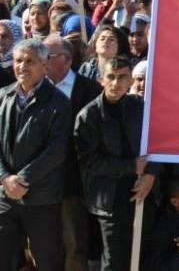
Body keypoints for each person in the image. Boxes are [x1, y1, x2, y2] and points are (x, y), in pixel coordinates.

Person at [75, 56, 161, 271]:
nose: (116, 83)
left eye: (122, 77)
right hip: (110, 199)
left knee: (144, 255)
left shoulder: (141, 107)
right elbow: (89, 160)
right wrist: (131, 166)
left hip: (144, 191)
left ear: (131, 80)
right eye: (111, 77)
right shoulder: (88, 116)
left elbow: (159, 143)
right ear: (101, 79)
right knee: (115, 260)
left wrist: (150, 175)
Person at [0, 39, 73, 271]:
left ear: (45, 65)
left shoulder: (59, 102)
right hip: (5, 196)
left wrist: (22, 180)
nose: (22, 66)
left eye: (29, 61)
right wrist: (5, 178)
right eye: (18, 61)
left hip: (41, 198)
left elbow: (56, 151)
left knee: (47, 261)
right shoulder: (3, 96)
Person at [43, 35, 102, 271]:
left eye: (47, 56)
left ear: (67, 60)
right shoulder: (35, 89)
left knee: (75, 244)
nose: (42, 61)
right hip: (39, 181)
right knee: (44, 244)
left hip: (73, 181)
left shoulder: (90, 90)